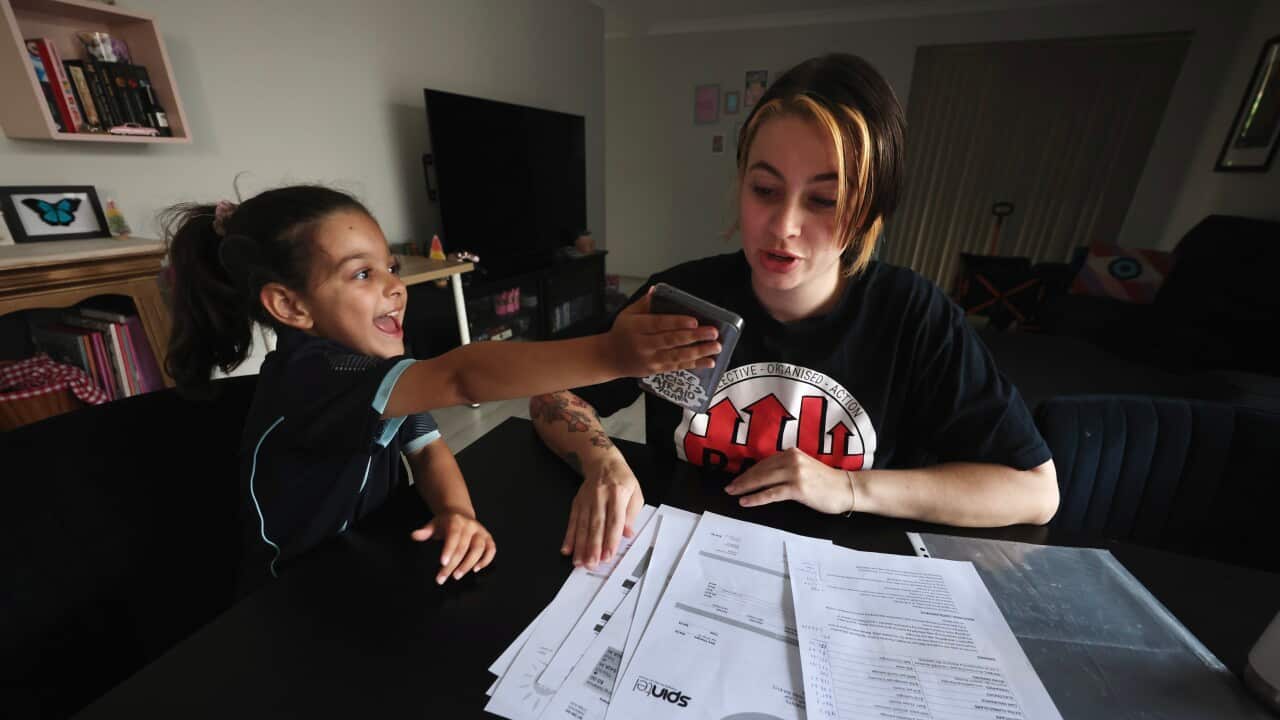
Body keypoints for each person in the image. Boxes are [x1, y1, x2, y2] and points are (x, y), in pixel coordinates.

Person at [531, 53, 1059, 569]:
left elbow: (1034, 492)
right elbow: (556, 393)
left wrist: (849, 486)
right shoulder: (681, 296)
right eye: (764, 189)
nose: (783, 225)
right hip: (684, 572)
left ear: (870, 209)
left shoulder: (913, 317)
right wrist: (603, 462)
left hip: (843, 585)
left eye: (823, 201)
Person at [163, 185, 721, 589]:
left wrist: (458, 512)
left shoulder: (377, 376)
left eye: (390, 268)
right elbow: (461, 374)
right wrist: (608, 355)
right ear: (290, 305)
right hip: (290, 595)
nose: (394, 288)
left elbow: (426, 445)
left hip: (364, 562)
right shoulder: (316, 377)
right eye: (362, 274)